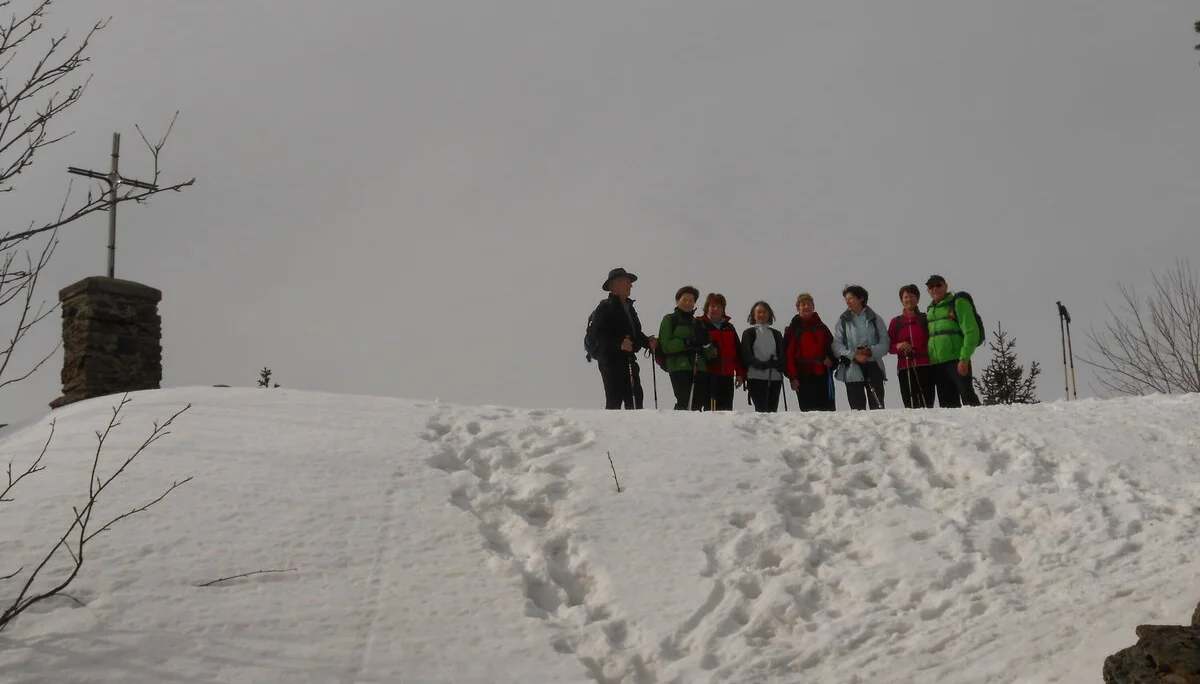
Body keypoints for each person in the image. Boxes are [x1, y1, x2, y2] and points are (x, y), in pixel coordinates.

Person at [590, 267, 658, 409]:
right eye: (627, 281)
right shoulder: (605, 307)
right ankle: (610, 430)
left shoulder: (629, 308)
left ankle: (634, 430)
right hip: (610, 361)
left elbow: (635, 334)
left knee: (635, 399)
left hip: (628, 359)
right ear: (614, 285)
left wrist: (647, 342)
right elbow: (598, 334)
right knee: (614, 399)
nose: (631, 285)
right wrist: (619, 343)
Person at [924, 274, 982, 407]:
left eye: (938, 285)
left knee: (968, 397)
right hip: (937, 364)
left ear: (946, 286)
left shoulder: (958, 303)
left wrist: (964, 358)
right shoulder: (930, 309)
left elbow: (971, 331)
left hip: (957, 360)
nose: (934, 289)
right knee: (947, 405)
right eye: (931, 287)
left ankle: (981, 426)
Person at [658, 286, 716, 410]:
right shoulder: (670, 319)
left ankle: (693, 428)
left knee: (697, 402)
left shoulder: (698, 324)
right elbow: (666, 345)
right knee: (684, 400)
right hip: (678, 366)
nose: (688, 303)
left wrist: (706, 343)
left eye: (691, 301)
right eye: (685, 300)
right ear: (677, 301)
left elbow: (709, 354)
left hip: (699, 366)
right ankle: (678, 426)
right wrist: (687, 343)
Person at [832, 285, 890, 410]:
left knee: (878, 408)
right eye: (846, 299)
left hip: (873, 367)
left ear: (861, 298)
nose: (848, 302)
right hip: (852, 370)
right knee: (857, 412)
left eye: (851, 298)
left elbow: (885, 344)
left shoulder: (875, 319)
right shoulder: (843, 321)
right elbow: (836, 346)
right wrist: (854, 355)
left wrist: (869, 351)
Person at [783, 292, 836, 412]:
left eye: (809, 304)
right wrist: (793, 377)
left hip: (823, 373)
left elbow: (831, 348)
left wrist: (832, 361)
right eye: (803, 304)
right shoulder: (793, 329)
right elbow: (789, 355)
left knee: (828, 411)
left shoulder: (822, 327)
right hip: (803, 376)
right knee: (808, 412)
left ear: (813, 306)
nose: (807, 307)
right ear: (798, 308)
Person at [888, 284, 936, 409]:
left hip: (925, 365)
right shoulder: (896, 322)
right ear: (902, 300)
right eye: (905, 297)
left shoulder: (925, 319)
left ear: (917, 299)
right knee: (910, 405)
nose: (909, 299)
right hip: (905, 367)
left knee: (928, 402)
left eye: (912, 296)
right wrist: (899, 346)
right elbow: (889, 346)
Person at [699, 293, 744, 411]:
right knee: (709, 410)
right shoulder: (700, 325)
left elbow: (738, 352)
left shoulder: (729, 327)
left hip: (727, 374)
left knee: (726, 410)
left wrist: (740, 373)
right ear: (707, 307)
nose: (716, 309)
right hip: (708, 373)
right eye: (713, 306)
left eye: (719, 307)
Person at [739, 301, 786, 413]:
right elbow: (746, 355)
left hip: (775, 377)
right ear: (753, 315)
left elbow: (782, 354)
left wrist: (779, 365)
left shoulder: (776, 334)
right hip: (756, 377)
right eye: (759, 312)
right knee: (761, 411)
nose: (762, 315)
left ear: (769, 314)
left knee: (772, 411)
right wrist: (762, 365)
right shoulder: (749, 333)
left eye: (764, 312)